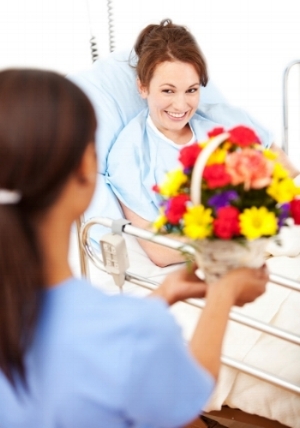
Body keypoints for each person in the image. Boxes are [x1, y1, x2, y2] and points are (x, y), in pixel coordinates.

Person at [0, 68, 269, 428]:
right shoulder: (135, 329)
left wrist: (163, 294)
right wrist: (223, 292)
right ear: (85, 170)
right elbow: (187, 400)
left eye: (191, 90)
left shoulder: (115, 327)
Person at [106, 19, 300, 267]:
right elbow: (160, 250)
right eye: (168, 91)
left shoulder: (226, 120)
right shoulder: (129, 155)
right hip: (223, 258)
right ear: (142, 87)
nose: (181, 105)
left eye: (191, 90)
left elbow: (290, 174)